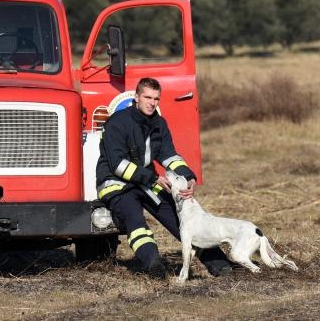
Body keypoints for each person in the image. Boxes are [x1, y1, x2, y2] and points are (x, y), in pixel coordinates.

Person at [96, 77, 232, 278]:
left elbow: (169, 155)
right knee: (134, 218)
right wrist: (152, 178)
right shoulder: (117, 122)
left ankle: (219, 264)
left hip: (146, 181)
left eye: (156, 99)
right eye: (147, 97)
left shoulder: (159, 124)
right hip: (116, 184)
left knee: (180, 215)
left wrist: (188, 176)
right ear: (136, 97)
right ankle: (153, 264)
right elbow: (118, 165)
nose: (152, 103)